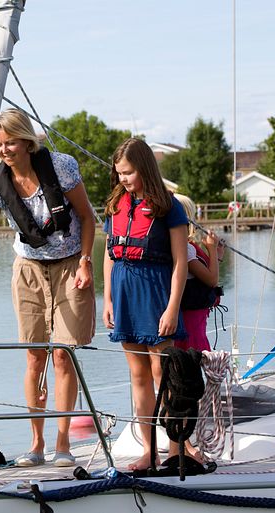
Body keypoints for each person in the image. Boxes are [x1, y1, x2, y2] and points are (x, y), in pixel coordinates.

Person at [0, 109, 96, 468]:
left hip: (71, 263)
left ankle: (62, 444)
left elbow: (87, 217)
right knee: (34, 355)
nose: (4, 150)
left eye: (10, 142)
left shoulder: (61, 166)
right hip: (28, 268)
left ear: (26, 141)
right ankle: (36, 444)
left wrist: (86, 261)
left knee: (62, 354)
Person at [102, 138, 188, 471]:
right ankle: (149, 451)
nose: (123, 179)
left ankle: (176, 448)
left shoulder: (169, 206)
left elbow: (181, 263)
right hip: (123, 291)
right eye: (119, 173)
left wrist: (171, 308)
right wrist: (107, 300)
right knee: (138, 376)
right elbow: (110, 257)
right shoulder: (116, 205)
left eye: (129, 172)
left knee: (163, 374)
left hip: (155, 292)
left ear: (145, 168)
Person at [175, 194, 225, 352]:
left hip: (193, 317)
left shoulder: (184, 246)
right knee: (193, 354)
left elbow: (208, 274)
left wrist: (216, 257)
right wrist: (211, 249)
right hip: (190, 319)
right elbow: (211, 280)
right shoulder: (186, 249)